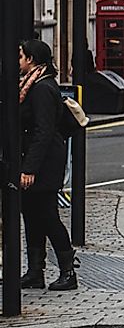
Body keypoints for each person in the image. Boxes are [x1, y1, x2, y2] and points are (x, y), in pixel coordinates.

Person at [17, 39, 78, 291]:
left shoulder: (41, 88)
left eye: (20, 56)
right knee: (31, 215)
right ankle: (35, 271)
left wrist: (29, 168)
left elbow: (43, 131)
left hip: (44, 165)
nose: (17, 60)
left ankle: (68, 271)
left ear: (31, 59)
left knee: (48, 216)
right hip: (37, 161)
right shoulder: (32, 83)